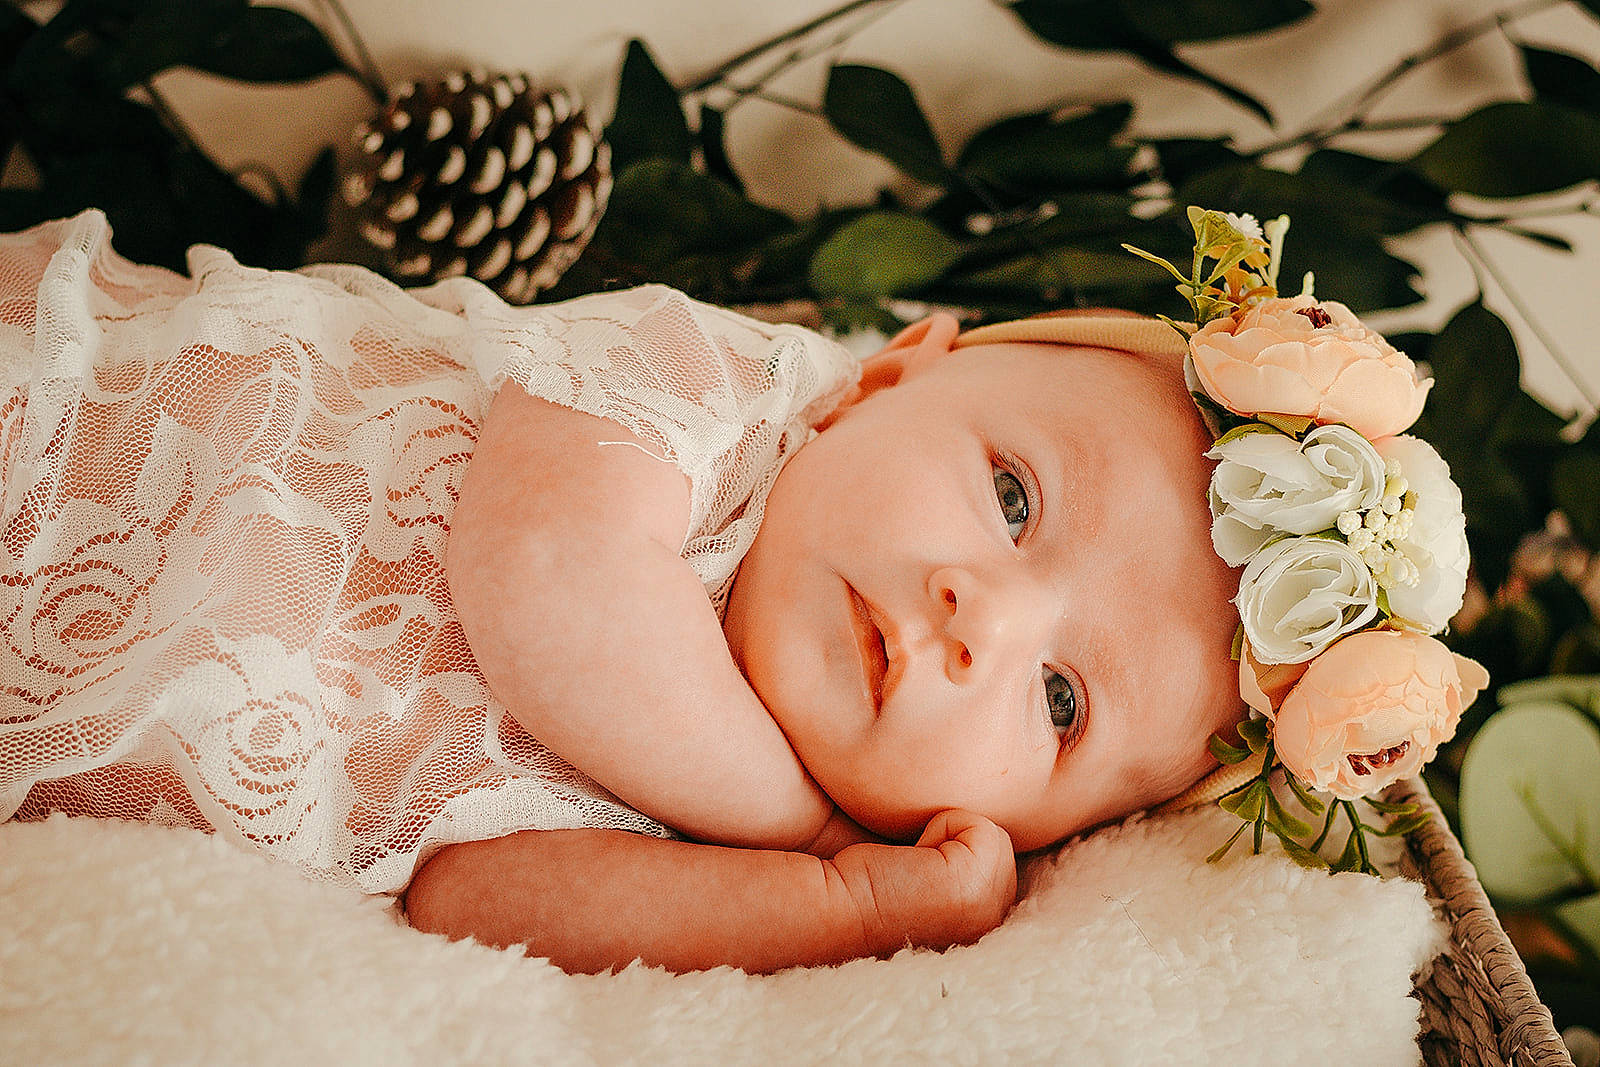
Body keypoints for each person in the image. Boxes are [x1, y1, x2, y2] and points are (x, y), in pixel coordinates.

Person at [0, 210, 1243, 974]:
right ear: (886, 379)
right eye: (1015, 499)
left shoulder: (734, 838)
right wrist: (801, 829)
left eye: (1064, 700)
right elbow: (542, 572)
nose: (990, 620)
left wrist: (840, 904)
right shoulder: (708, 381)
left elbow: (471, 898)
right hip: (55, 436)